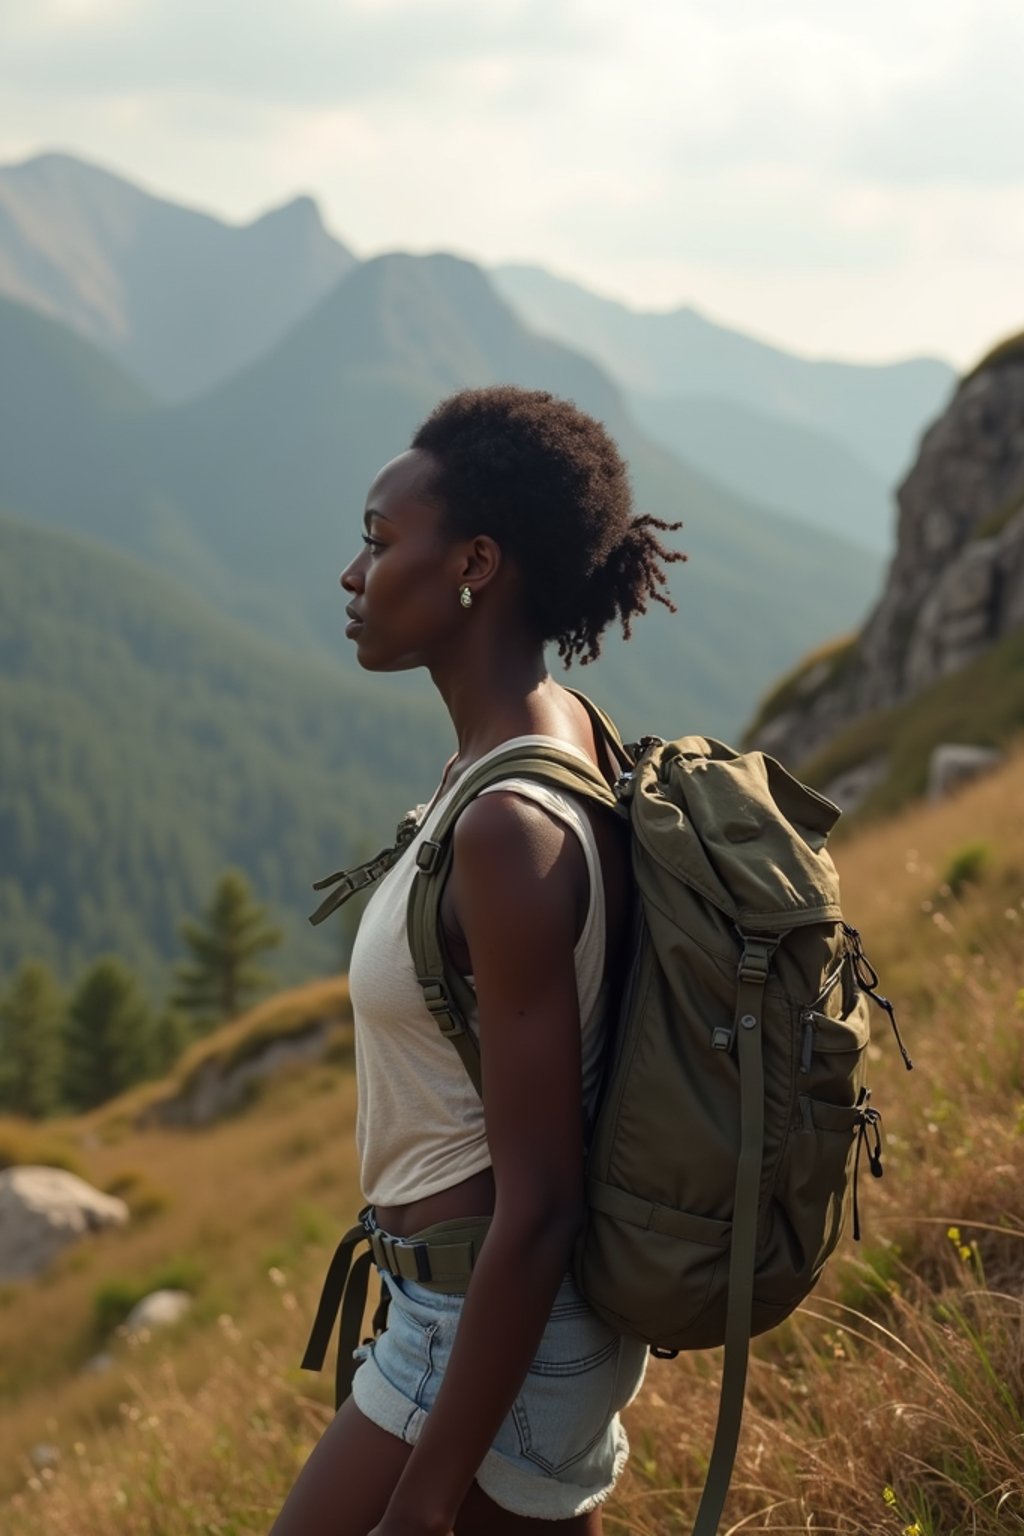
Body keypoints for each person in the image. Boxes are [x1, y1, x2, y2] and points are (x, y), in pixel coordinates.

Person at [270, 385, 684, 1536]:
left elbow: (542, 1199)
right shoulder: (555, 733)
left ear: (477, 563)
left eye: (377, 540)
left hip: (485, 1328)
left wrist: (426, 1496)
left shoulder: (509, 829)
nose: (353, 574)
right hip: (470, 1316)